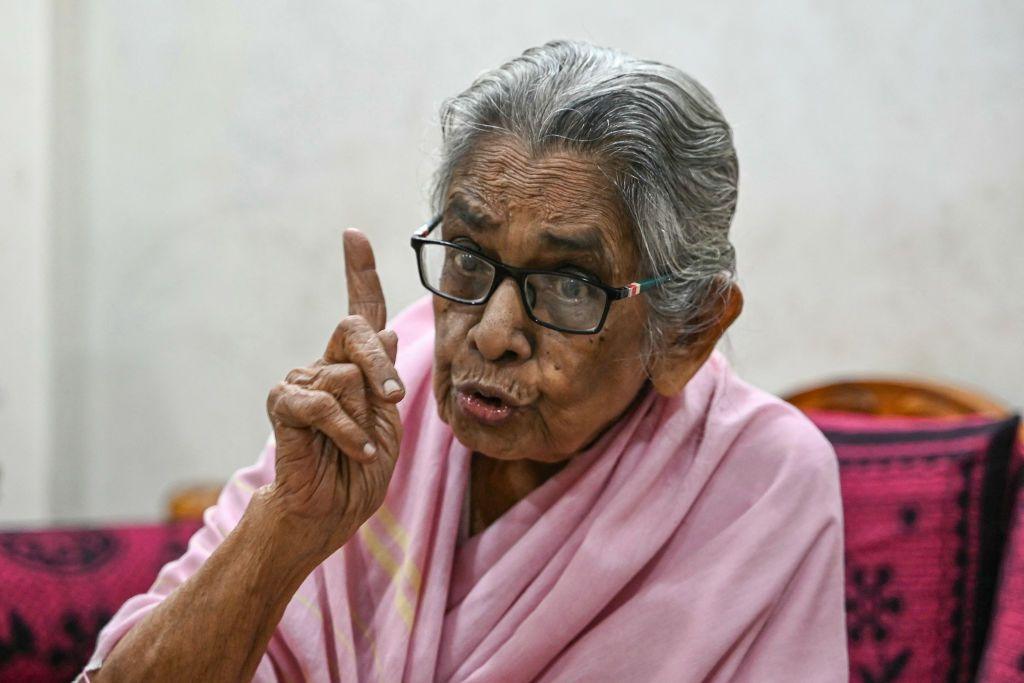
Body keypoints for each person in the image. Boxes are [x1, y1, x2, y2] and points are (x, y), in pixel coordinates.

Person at [81, 40, 848, 682]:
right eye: (469, 258)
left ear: (688, 330)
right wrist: (285, 531)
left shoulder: (759, 484)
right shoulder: (379, 400)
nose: (491, 332)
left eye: (570, 283)